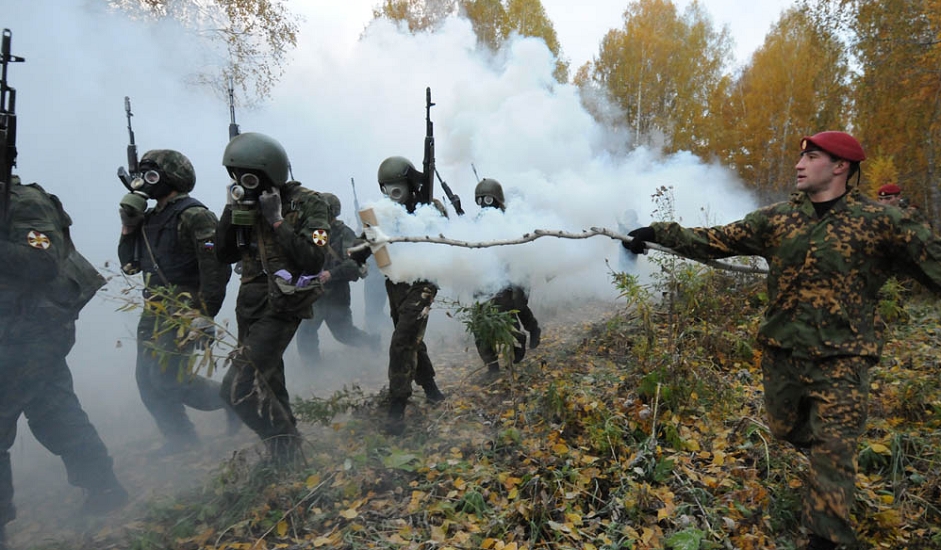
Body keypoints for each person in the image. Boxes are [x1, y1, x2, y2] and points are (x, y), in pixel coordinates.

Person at [623, 131, 941, 550]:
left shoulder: (881, 221)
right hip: (782, 356)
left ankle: (826, 533)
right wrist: (656, 233)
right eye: (800, 157)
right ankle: (828, 467)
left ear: (841, 166)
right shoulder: (778, 219)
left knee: (834, 446)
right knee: (787, 428)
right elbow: (716, 240)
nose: (799, 164)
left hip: (843, 359)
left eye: (811, 156)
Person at [1, 175, 128, 548]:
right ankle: (104, 486)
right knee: (53, 410)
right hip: (16, 328)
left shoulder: (24, 202)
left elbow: (42, 260)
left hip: (34, 327)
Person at [214, 132, 331, 464]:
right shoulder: (243, 203)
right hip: (250, 304)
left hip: (284, 303)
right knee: (267, 383)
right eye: (239, 176)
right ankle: (288, 457)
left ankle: (286, 447)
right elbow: (223, 254)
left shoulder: (307, 202)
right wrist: (231, 208)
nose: (246, 182)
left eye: (252, 176)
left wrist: (277, 220)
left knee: (236, 388)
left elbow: (313, 258)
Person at [117, 149, 235, 456]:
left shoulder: (195, 215)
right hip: (154, 310)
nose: (146, 181)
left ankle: (234, 400)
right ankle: (181, 439)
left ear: (172, 178)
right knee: (147, 381)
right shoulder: (150, 217)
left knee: (169, 380)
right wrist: (128, 226)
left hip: (185, 309)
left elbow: (216, 269)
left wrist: (203, 315)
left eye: (153, 175)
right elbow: (129, 264)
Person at [349, 156, 446, 435]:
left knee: (402, 339)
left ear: (411, 186)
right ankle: (430, 387)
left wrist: (426, 214)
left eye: (398, 188)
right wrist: (353, 259)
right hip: (396, 282)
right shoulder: (381, 213)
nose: (392, 194)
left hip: (424, 281)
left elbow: (446, 237)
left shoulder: (430, 207)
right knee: (411, 337)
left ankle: (397, 406)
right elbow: (363, 243)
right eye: (387, 188)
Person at [294, 193, 379, 367]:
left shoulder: (343, 233)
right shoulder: (316, 232)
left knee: (344, 334)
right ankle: (313, 370)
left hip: (336, 294)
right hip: (315, 293)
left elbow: (354, 263)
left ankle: (372, 343)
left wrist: (331, 274)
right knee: (306, 332)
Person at [472, 178, 541, 373]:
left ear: (497, 200)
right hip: (483, 280)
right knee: (479, 325)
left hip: (507, 281)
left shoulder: (510, 220)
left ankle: (527, 335)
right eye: (480, 200)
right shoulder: (477, 222)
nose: (484, 205)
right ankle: (491, 366)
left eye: (488, 200)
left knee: (514, 312)